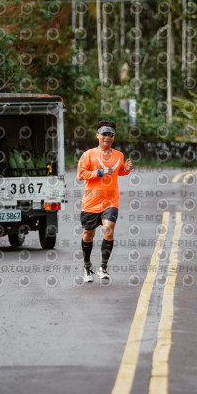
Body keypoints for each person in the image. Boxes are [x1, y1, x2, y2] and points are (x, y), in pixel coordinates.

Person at [77, 120, 133, 282]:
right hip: (91, 202)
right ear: (98, 135)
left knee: (108, 229)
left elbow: (117, 172)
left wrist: (126, 170)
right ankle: (87, 267)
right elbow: (81, 174)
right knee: (88, 235)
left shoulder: (119, 155)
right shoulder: (88, 154)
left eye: (110, 135)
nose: (107, 137)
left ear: (114, 137)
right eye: (104, 134)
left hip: (110, 201)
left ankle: (103, 267)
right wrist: (99, 172)